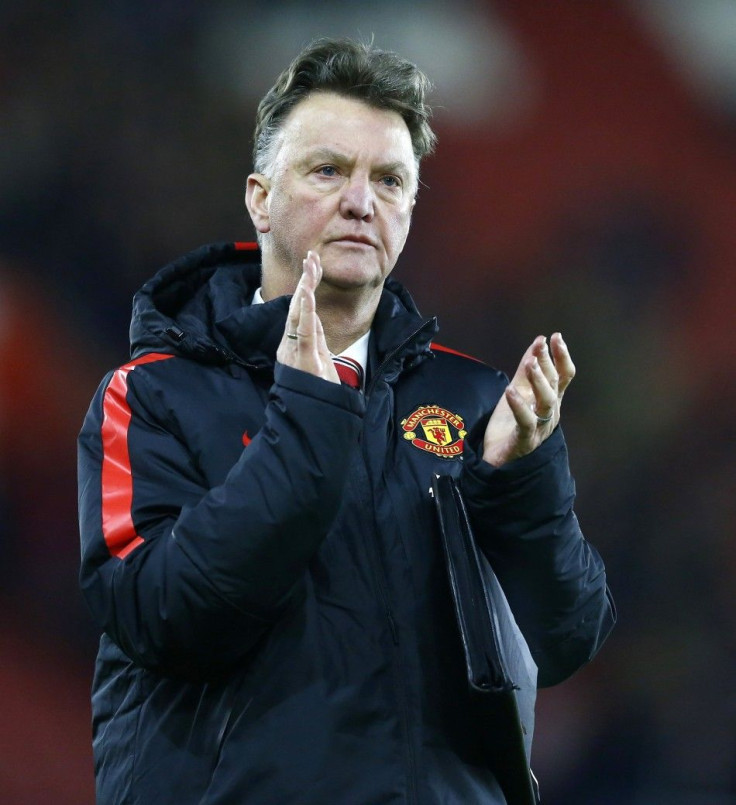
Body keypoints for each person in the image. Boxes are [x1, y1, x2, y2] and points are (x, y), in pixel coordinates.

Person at [78, 37, 614, 804]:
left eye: (389, 179)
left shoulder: (475, 403)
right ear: (260, 197)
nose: (361, 200)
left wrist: (515, 481)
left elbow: (567, 638)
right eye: (328, 170)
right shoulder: (157, 396)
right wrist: (307, 421)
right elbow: (161, 614)